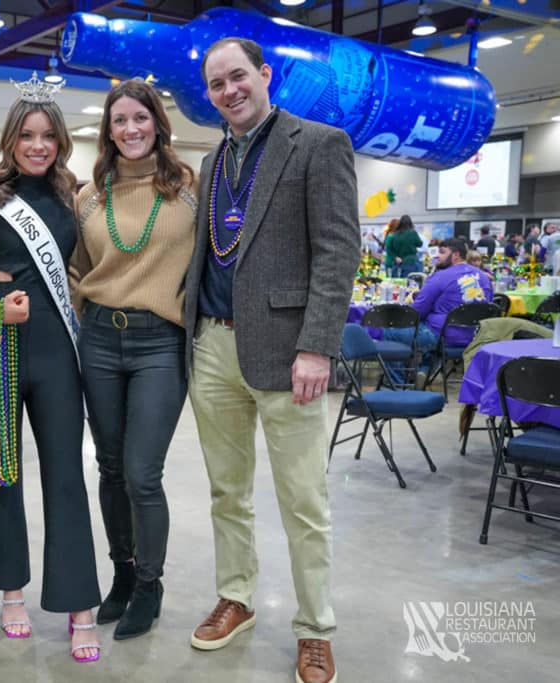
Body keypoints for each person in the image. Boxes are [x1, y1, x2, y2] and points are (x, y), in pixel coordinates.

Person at [184, 38, 359, 683]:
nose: (229, 91)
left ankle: (315, 628)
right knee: (227, 491)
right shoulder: (211, 162)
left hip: (290, 355)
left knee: (303, 501)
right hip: (213, 347)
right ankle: (237, 596)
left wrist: (317, 345)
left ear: (265, 75)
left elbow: (338, 252)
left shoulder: (317, 143)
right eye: (216, 84)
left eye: (238, 77)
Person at [0, 80, 101, 663]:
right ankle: (11, 592)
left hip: (58, 351)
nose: (37, 145)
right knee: (0, 474)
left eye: (47, 135)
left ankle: (80, 605)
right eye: (26, 135)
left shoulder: (75, 198)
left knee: (65, 476)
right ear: (10, 141)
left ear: (59, 141)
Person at [69, 79, 196, 640]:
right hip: (98, 340)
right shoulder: (89, 195)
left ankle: (149, 583)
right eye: (119, 121)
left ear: (158, 123)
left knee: (144, 474)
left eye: (140, 118)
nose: (131, 129)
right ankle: (121, 574)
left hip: (159, 344)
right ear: (108, 130)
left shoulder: (190, 187)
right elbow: (76, 267)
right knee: (111, 468)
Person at [383, 238, 493, 375]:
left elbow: (416, 313)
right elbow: (488, 307)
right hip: (476, 337)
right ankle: (423, 372)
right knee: (428, 330)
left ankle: (397, 386)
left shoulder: (440, 277)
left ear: (456, 255)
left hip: (443, 336)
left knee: (392, 331)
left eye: (442, 252)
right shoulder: (484, 278)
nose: (437, 256)